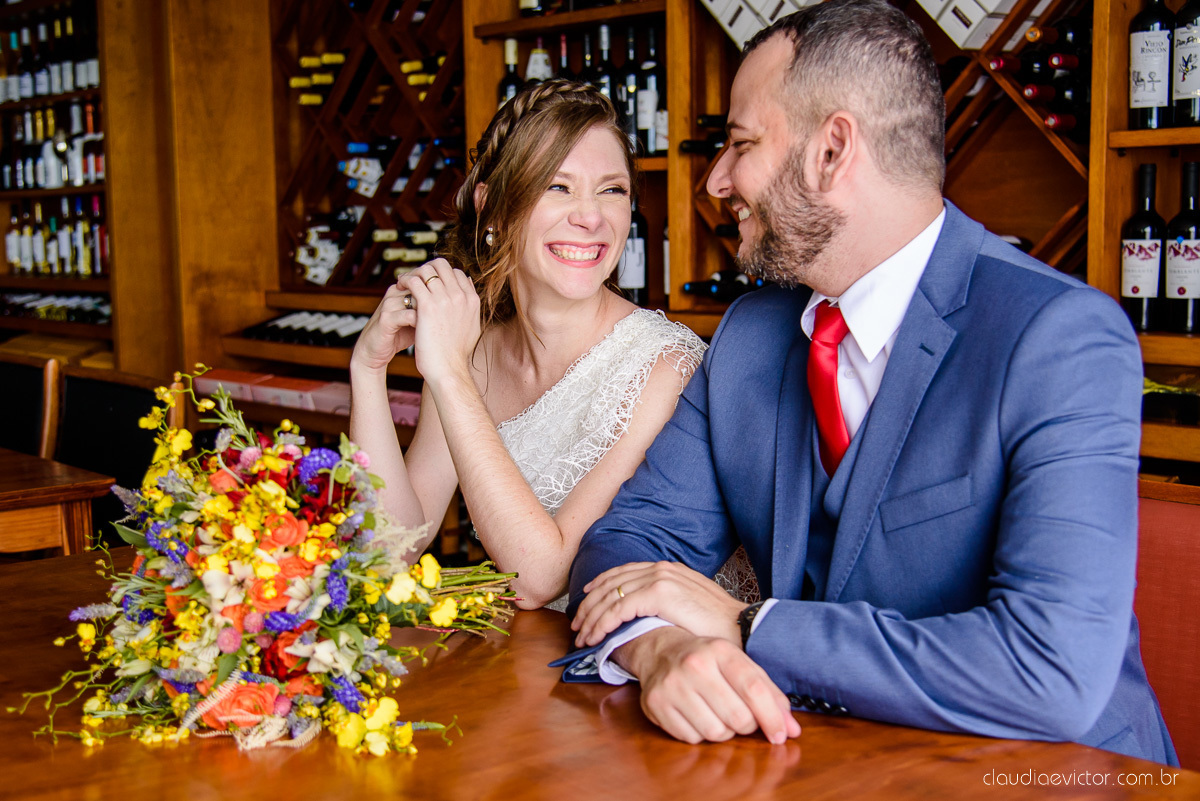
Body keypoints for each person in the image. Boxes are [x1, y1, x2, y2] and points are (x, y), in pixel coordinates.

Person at [557, 0, 1177, 766]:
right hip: (813, 763)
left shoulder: (1060, 338)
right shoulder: (749, 335)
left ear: (831, 150)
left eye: (741, 144)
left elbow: (1048, 669)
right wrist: (658, 647)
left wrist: (750, 626)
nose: (716, 180)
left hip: (1052, 772)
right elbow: (626, 540)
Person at [349, 80, 705, 611]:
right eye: (558, 187)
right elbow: (389, 550)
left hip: (658, 648)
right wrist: (367, 368)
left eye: (612, 190)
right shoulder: (474, 353)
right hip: (544, 647)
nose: (590, 217)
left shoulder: (665, 368)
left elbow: (541, 578)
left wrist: (448, 372)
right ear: (491, 209)